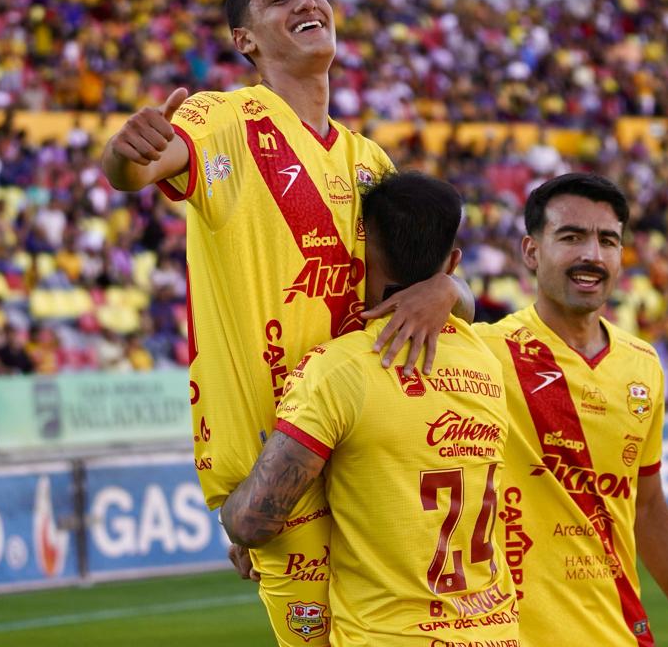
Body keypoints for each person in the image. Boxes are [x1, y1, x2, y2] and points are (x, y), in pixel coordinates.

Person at [101, 0, 473, 646]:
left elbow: (443, 297)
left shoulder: (371, 163)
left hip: (370, 471)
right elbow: (140, 165)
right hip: (285, 479)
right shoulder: (225, 119)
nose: (307, 2)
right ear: (245, 39)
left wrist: (448, 287)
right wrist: (126, 154)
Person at [222, 173, 519, 645]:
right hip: (498, 631)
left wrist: (236, 519)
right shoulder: (485, 358)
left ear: (357, 255)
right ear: (454, 262)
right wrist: (451, 289)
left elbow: (252, 522)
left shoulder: (339, 369)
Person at [473, 174, 668, 647]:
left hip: (618, 632)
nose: (592, 255)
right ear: (531, 252)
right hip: (511, 633)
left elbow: (645, 506)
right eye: (571, 237)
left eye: (608, 240)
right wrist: (446, 294)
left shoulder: (643, 365)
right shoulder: (483, 352)